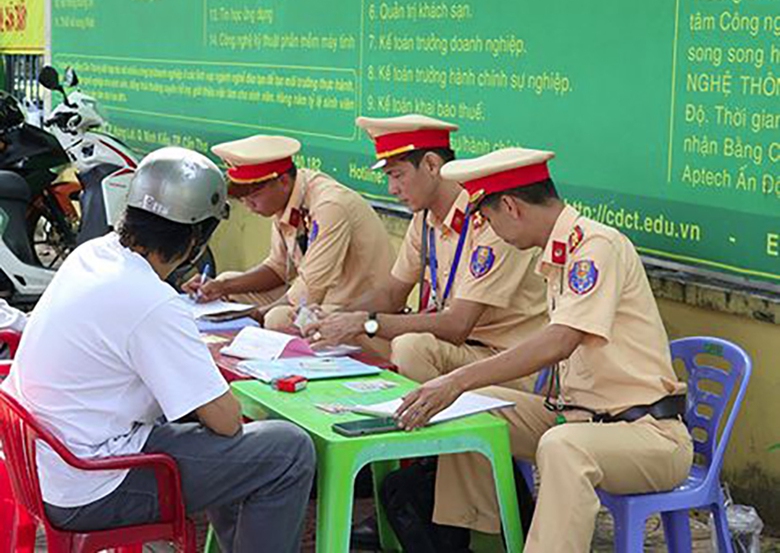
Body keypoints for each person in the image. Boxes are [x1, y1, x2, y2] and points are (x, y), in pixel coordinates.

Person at [1, 147, 315, 553]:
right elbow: (226, 422)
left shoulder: (91, 255)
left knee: (226, 452)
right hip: (93, 485)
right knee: (287, 451)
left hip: (49, 467)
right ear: (196, 239)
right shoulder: (153, 302)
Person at [387, 148, 693, 552]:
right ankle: (478, 537)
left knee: (563, 447)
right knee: (470, 406)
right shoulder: (558, 255)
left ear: (510, 206)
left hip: (646, 436)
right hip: (581, 420)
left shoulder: (595, 247)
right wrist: (456, 389)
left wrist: (457, 377)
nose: (491, 231)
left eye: (488, 218)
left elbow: (560, 340)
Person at [304, 115, 547, 389]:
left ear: (432, 165)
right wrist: (336, 317)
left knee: (411, 346)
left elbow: (457, 325)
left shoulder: (490, 221)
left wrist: (365, 322)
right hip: (451, 350)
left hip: (500, 360)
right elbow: (391, 293)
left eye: (398, 175)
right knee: (342, 330)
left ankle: (432, 428)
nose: (392, 189)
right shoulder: (425, 219)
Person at [183, 134, 394, 332]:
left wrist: (257, 314)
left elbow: (311, 288)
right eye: (242, 199)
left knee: (278, 318)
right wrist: (220, 286)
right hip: (321, 300)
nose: (248, 205)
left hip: (354, 308)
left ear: (283, 181)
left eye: (254, 195)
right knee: (229, 282)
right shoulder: (288, 197)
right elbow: (278, 268)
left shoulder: (330, 206)